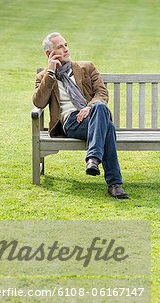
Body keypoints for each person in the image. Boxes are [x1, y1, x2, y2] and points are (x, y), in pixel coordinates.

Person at [33, 32, 129, 199]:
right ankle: (114, 184)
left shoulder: (87, 67)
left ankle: (93, 159)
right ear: (49, 54)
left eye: (66, 45)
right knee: (108, 126)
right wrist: (50, 72)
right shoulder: (44, 77)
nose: (65, 49)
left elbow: (102, 93)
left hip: (93, 116)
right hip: (71, 122)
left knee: (100, 108)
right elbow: (39, 103)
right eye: (59, 47)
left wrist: (89, 107)